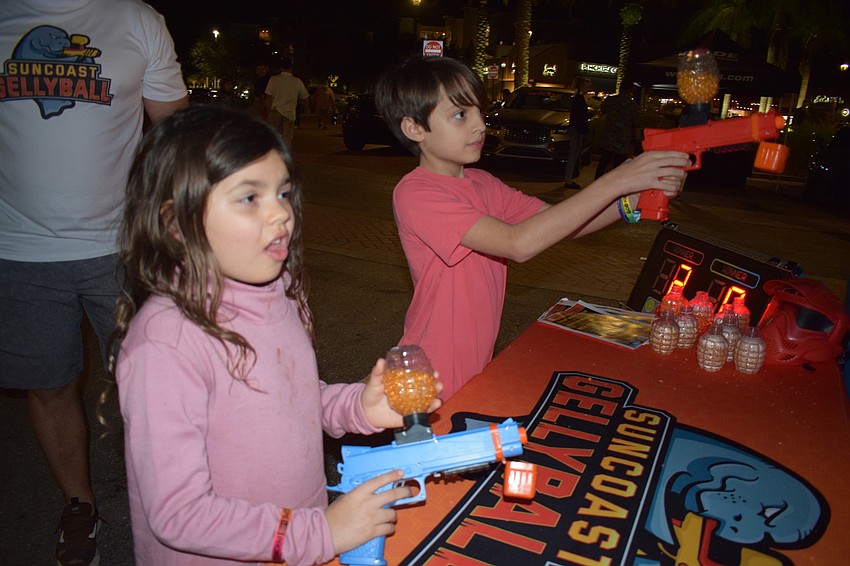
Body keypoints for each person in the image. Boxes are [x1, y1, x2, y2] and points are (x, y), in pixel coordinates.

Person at [111, 105, 440, 565]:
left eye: (283, 193)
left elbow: (287, 400)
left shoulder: (277, 292)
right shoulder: (167, 343)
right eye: (250, 198)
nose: (281, 214)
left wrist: (357, 407)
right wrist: (321, 531)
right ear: (174, 222)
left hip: (292, 544)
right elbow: (178, 514)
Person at [374, 56, 689, 400]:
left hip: (475, 361)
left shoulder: (483, 183)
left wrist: (633, 199)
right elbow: (517, 243)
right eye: (460, 115)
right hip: (431, 371)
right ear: (414, 128)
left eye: (479, 111)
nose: (479, 124)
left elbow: (560, 224)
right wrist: (617, 180)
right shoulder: (417, 193)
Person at [0, 2, 188, 565]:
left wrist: (182, 217)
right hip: (17, 249)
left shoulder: (134, 19)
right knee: (50, 384)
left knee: (156, 384)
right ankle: (79, 505)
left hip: (123, 246)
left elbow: (174, 131)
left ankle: (173, 499)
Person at [595, 83, 640, 179]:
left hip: (610, 136)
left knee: (603, 161)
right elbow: (636, 122)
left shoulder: (610, 100)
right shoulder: (632, 105)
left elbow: (603, 110)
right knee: (618, 165)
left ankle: (597, 182)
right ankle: (613, 185)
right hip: (622, 139)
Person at [265, 57, 308, 147]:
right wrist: (306, 110)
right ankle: (286, 158)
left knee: (275, 137)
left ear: (281, 67)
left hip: (276, 110)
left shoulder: (274, 79)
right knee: (287, 138)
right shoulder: (297, 81)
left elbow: (268, 97)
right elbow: (305, 97)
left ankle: (275, 158)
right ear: (291, 68)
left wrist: (268, 111)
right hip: (289, 113)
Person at [563, 76, 593, 189]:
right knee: (573, 154)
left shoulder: (578, 98)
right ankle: (568, 180)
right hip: (577, 129)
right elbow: (580, 116)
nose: (588, 88)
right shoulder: (579, 99)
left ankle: (569, 178)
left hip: (577, 129)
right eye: (586, 86)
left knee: (574, 154)